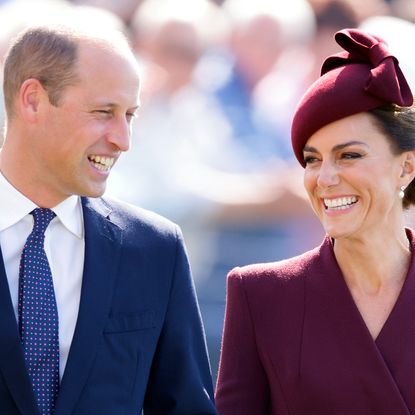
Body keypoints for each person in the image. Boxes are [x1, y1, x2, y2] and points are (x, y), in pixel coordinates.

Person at [0, 24, 217, 415]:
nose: (123, 139)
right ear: (32, 100)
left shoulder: (154, 249)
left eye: (130, 115)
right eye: (104, 112)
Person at [215, 27, 415, 414]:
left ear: (406, 167)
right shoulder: (260, 294)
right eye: (312, 159)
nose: (324, 178)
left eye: (349, 155)